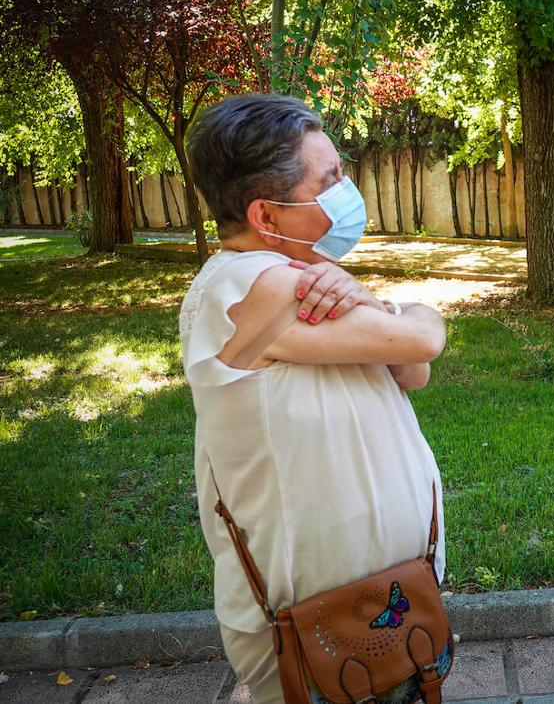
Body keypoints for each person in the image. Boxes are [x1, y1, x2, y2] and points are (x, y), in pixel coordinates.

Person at [180, 94, 448, 704]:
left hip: (380, 610)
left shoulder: (294, 274)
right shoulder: (256, 287)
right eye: (328, 180)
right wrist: (382, 304)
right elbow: (424, 338)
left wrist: (363, 296)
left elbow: (409, 372)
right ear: (266, 216)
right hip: (324, 636)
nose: (345, 189)